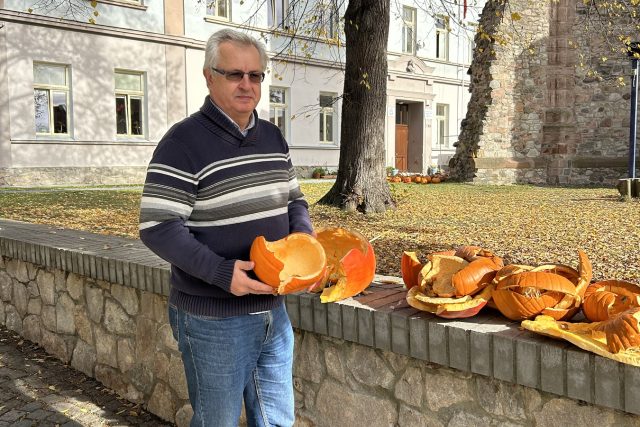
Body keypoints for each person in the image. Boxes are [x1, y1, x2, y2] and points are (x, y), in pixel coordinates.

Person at [138, 28, 313, 427]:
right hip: (213, 318)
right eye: (235, 74)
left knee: (276, 421)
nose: (247, 84)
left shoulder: (272, 137)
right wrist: (221, 272)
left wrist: (304, 241)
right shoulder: (182, 143)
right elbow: (157, 225)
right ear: (209, 76)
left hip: (273, 309)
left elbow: (294, 201)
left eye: (255, 75)